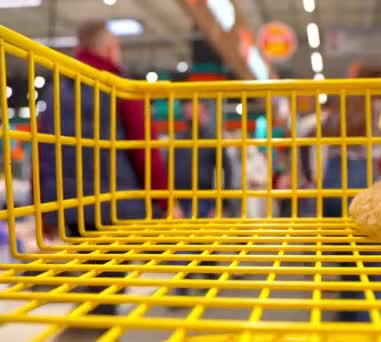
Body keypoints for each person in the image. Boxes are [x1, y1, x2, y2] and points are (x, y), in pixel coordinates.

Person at [37, 19, 181, 315]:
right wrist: (165, 201)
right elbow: (144, 149)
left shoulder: (56, 89)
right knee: (110, 287)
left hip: (71, 206)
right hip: (114, 207)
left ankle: (90, 325)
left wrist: (45, 210)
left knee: (95, 282)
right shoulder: (118, 84)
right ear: (110, 47)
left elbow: (43, 152)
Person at [300, 64, 381, 322]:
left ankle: (347, 320)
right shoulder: (378, 109)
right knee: (370, 266)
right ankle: (365, 327)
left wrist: (311, 177)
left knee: (347, 263)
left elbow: (307, 137)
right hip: (363, 183)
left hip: (332, 184)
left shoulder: (339, 107)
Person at [170, 99, 235, 295]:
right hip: (182, 198)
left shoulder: (212, 139)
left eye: (194, 108)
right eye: (188, 108)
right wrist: (169, 201)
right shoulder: (179, 140)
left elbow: (226, 170)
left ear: (204, 112)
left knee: (204, 241)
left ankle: (208, 279)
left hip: (205, 197)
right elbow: (169, 170)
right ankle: (184, 284)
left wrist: (221, 202)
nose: (190, 112)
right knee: (183, 242)